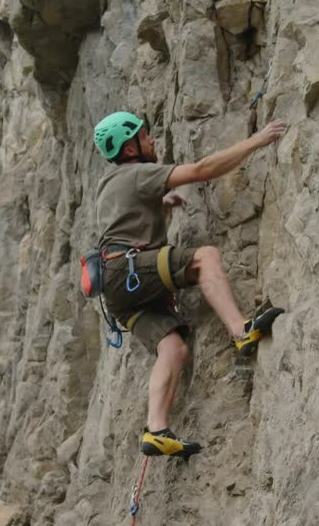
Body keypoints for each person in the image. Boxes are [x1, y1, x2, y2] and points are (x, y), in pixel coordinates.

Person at [92, 111, 287, 459]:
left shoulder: (109, 184)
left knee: (173, 347)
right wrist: (258, 139)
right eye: (144, 136)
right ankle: (241, 330)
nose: (152, 140)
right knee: (205, 258)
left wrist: (159, 204)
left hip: (115, 291)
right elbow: (200, 171)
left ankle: (157, 430)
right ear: (131, 148)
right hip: (128, 270)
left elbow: (125, 217)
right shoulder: (138, 173)